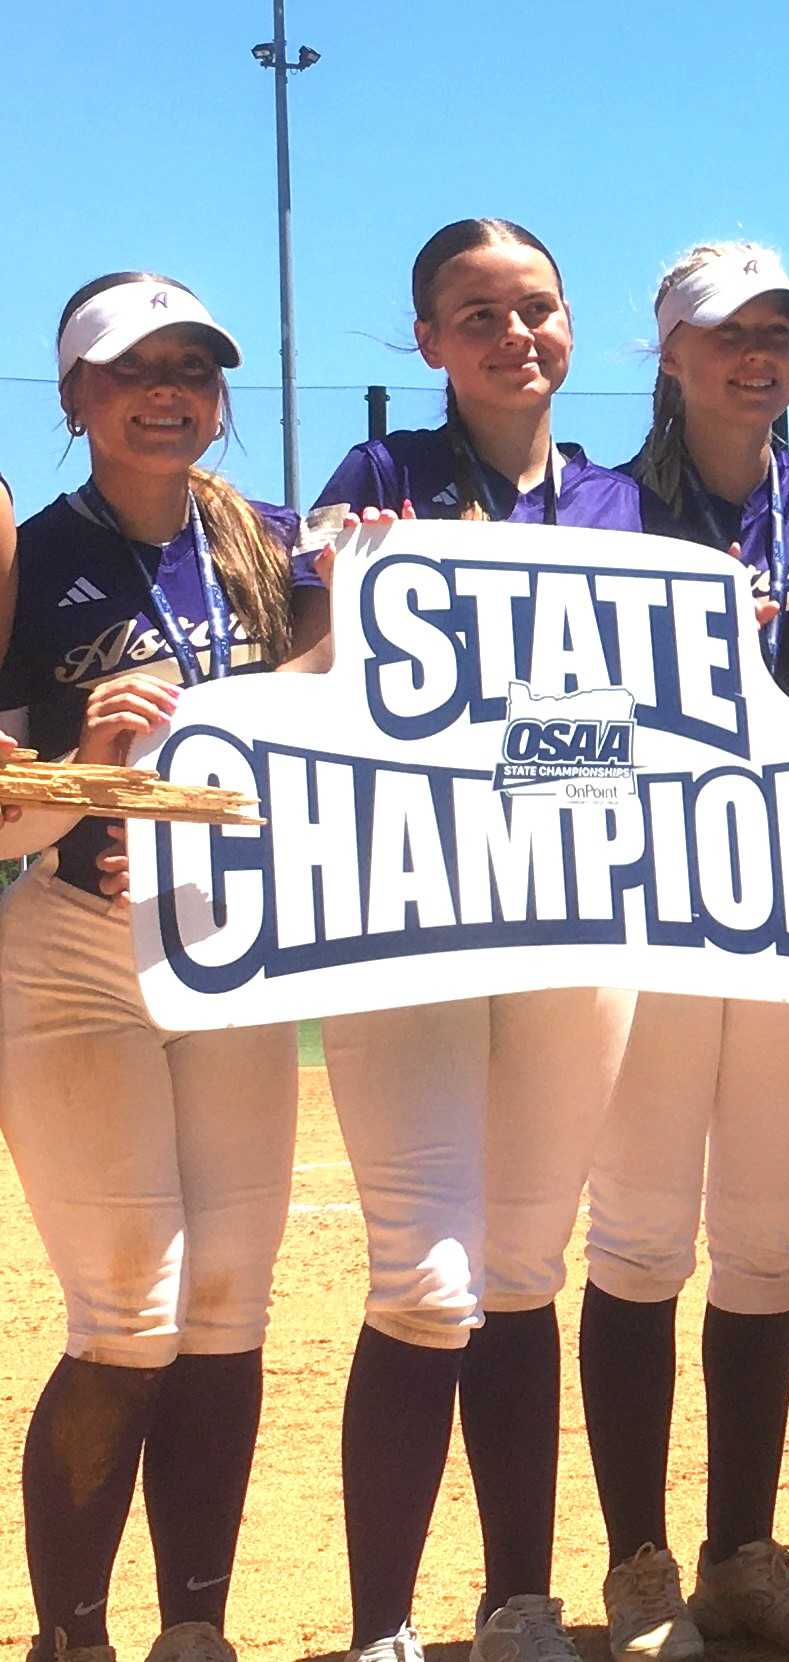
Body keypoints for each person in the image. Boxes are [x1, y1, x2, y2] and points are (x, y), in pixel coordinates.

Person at [310, 217, 644, 1662]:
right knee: (421, 1280)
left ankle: (519, 1601)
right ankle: (382, 1624)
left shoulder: (625, 505)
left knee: (522, 1268)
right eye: (479, 314)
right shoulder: (373, 483)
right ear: (429, 342)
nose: (517, 336)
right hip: (415, 921)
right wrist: (347, 602)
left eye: (539, 309)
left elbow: (643, 727)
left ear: (571, 326)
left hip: (574, 919)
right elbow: (308, 687)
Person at [0, 271, 328, 1662]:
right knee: (129, 1306)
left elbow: (337, 710)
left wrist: (353, 614)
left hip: (232, 955)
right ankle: (76, 1634)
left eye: (195, 366)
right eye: (135, 366)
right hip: (75, 949)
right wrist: (92, 767)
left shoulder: (260, 540)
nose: (170, 388)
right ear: (74, 396)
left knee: (229, 1302)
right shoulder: (27, 556)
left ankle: (194, 1625)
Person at [576, 240, 789, 1660]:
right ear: (670, 354)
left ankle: (744, 1552)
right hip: (648, 908)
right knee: (638, 1235)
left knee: (767, 1241)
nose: (758, 355)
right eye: (727, 332)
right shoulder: (597, 506)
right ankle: (640, 1566)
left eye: (779, 333)